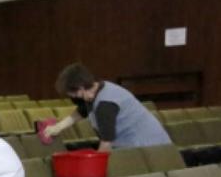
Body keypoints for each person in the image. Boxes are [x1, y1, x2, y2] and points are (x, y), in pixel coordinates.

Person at [40, 63, 170, 150]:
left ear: (80, 89)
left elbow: (106, 143)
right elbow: (82, 111)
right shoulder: (97, 89)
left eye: (72, 94)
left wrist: (94, 164)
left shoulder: (104, 105)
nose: (73, 98)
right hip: (141, 146)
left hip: (150, 147)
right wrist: (58, 127)